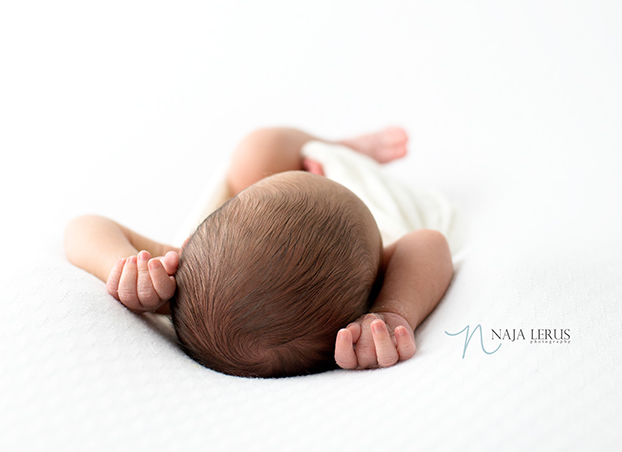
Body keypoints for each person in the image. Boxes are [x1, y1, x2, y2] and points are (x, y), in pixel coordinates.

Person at [64, 127, 453, 377]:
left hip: (297, 212)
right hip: (353, 193)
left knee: (257, 149)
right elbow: (429, 244)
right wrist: (392, 311)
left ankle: (337, 144)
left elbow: (83, 228)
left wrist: (123, 267)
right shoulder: (379, 261)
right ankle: (344, 152)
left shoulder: (179, 280)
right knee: (262, 151)